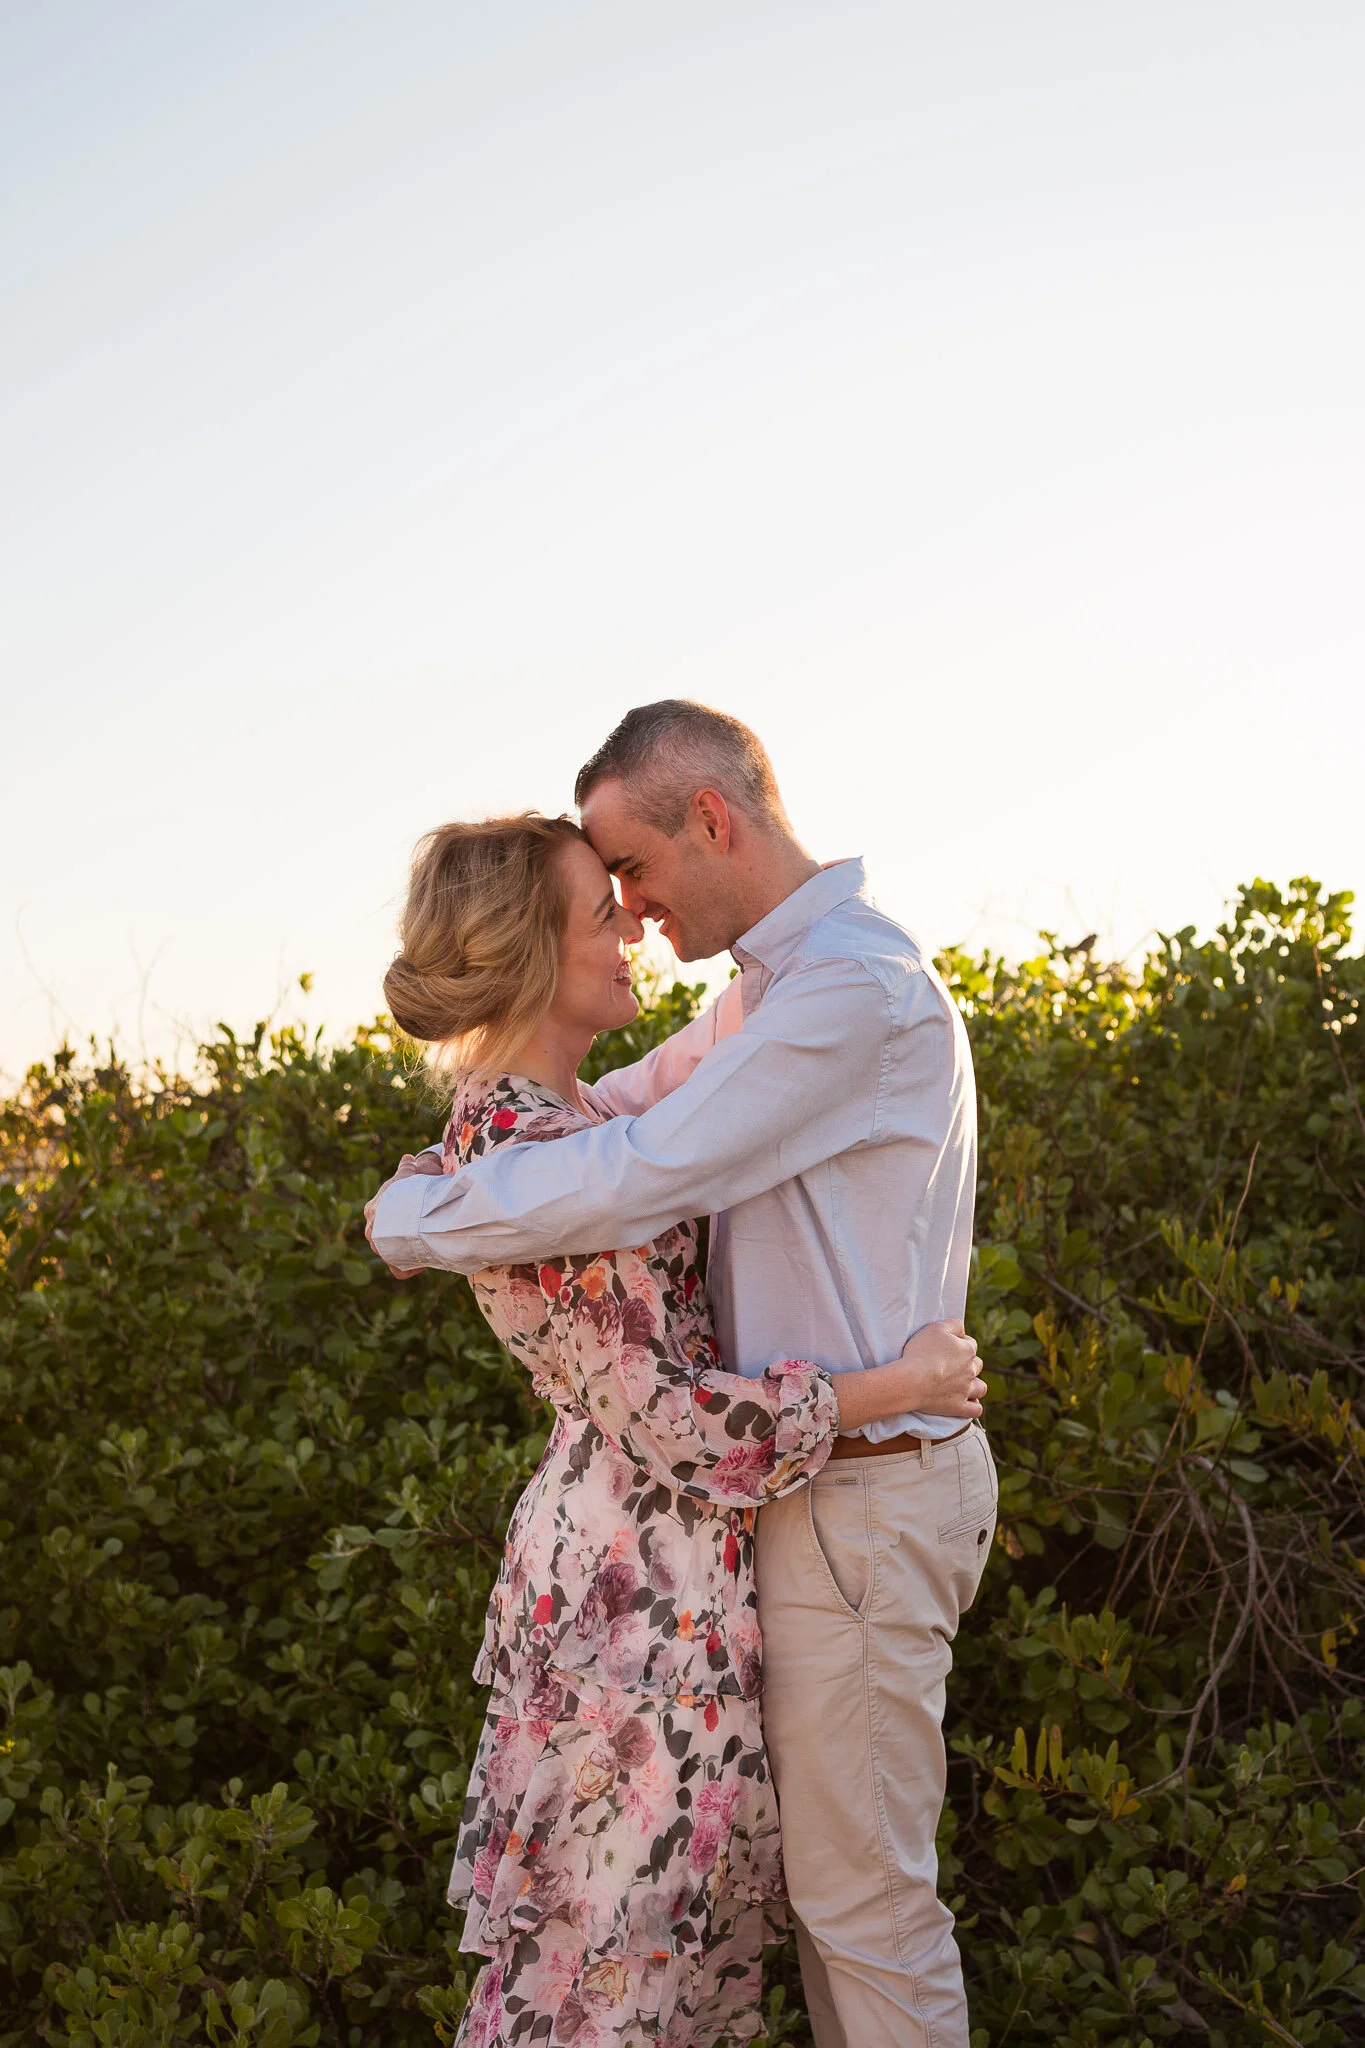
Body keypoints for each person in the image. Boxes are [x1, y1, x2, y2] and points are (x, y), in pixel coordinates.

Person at [372, 807, 987, 2048]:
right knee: (606, 1969)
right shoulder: (519, 1142)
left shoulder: (568, 1122)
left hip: (672, 1574)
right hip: (626, 1596)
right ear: (532, 951)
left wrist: (408, 1208)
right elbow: (669, 1415)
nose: (635, 930)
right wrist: (896, 1383)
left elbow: (672, 1098)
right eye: (606, 911)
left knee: (656, 1952)